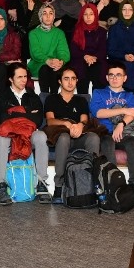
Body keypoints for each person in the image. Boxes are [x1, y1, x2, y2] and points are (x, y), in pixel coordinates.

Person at [0, 62, 51, 206]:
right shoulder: (2, 96)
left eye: (25, 76)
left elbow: (37, 119)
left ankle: (41, 182)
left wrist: (14, 113)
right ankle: (0, 184)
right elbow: (2, 119)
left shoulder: (32, 95)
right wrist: (27, 114)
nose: (24, 80)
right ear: (11, 79)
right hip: (8, 133)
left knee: (41, 136)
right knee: (1, 138)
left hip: (29, 133)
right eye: (19, 77)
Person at [44, 67, 101, 203]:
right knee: (64, 138)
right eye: (66, 79)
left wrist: (80, 125)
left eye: (73, 79)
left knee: (93, 137)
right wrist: (66, 124)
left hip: (79, 135)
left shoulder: (81, 100)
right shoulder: (52, 99)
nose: (70, 82)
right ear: (59, 81)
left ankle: (93, 183)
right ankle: (59, 186)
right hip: (60, 136)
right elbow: (50, 120)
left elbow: (84, 120)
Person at [90, 62, 134, 194]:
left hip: (123, 132)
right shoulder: (99, 93)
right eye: (111, 75)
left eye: (118, 75)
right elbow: (98, 112)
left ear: (124, 78)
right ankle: (113, 183)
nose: (114, 78)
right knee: (107, 142)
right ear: (107, 77)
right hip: (104, 132)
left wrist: (121, 124)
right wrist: (123, 110)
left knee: (132, 142)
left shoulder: (129, 96)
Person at [106, 0, 134, 94]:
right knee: (122, 69)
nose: (127, 12)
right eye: (124, 9)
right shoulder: (114, 29)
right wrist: (124, 56)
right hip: (118, 61)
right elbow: (111, 51)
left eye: (130, 10)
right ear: (120, 11)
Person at [28, 3, 70, 94]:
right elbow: (36, 52)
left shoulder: (59, 33)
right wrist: (47, 60)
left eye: (51, 13)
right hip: (39, 64)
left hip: (56, 64)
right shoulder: (33, 33)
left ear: (54, 16)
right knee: (45, 69)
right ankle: (44, 97)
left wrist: (61, 61)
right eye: (44, 13)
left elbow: (64, 51)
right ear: (40, 16)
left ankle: (53, 98)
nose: (48, 16)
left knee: (55, 69)